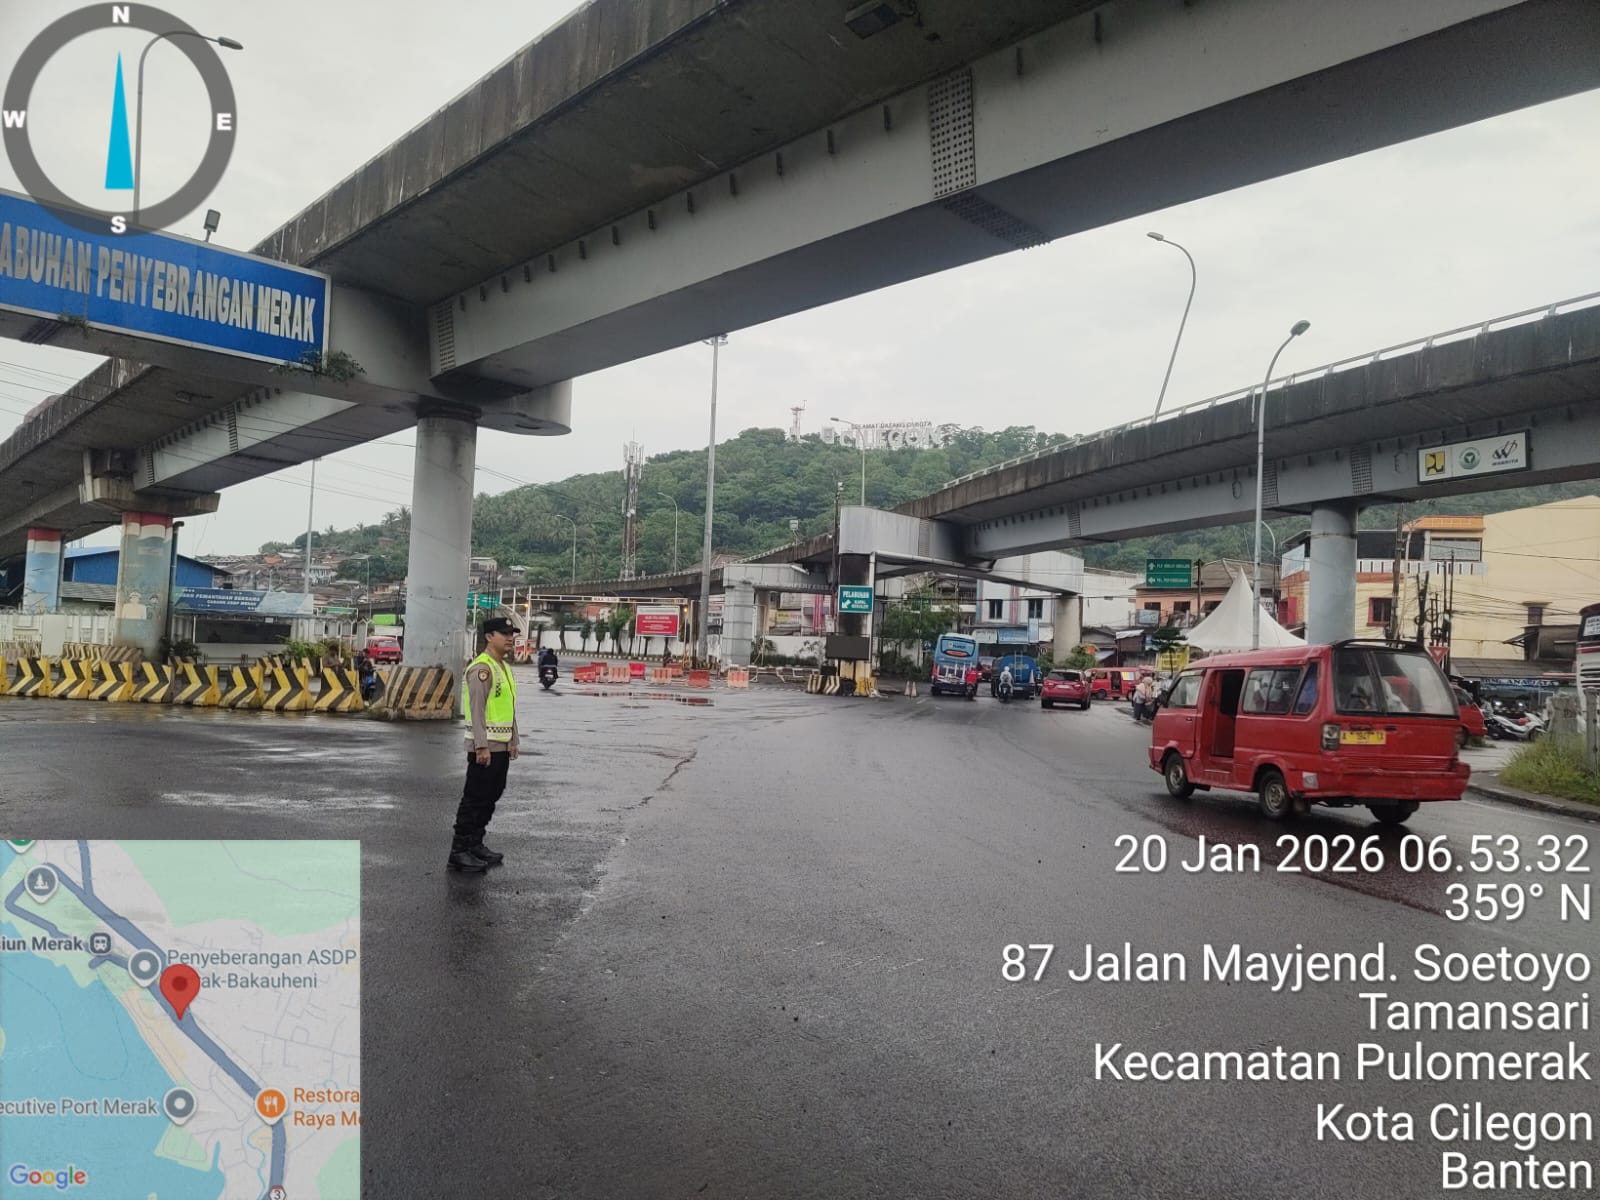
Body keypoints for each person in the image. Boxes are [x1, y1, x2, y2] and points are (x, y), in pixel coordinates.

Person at [448, 616, 521, 873]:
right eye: (504, 634)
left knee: (491, 796)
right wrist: (480, 746)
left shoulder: (503, 667)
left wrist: (513, 739)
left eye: (512, 633)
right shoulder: (482, 668)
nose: (510, 638)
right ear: (489, 637)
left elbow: (507, 707)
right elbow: (476, 710)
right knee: (475, 799)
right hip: (485, 748)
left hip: (501, 746)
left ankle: (475, 844)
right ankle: (459, 851)